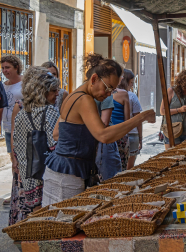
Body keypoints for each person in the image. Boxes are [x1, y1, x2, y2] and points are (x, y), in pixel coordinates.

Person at [42, 54, 155, 206]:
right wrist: (141, 118)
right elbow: (103, 135)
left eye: (113, 90)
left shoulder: (72, 95)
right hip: (68, 175)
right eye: (107, 88)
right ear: (94, 79)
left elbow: (57, 134)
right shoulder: (84, 99)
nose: (109, 94)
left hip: (61, 170)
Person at [9, 66, 60, 225]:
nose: (57, 94)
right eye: (53, 90)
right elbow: (55, 145)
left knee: (36, 221)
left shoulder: (22, 114)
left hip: (29, 177)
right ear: (42, 91)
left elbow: (17, 145)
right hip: (47, 176)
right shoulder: (50, 111)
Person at [1, 56, 23, 205]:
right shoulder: (4, 84)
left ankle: (23, 191)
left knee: (21, 160)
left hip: (22, 127)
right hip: (8, 127)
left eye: (7, 67)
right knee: (13, 160)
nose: (4, 71)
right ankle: (14, 192)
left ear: (16, 67)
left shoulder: (24, 83)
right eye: (2, 68)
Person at [118, 69, 143, 170]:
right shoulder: (131, 96)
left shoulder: (111, 95)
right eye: (131, 82)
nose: (132, 85)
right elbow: (138, 119)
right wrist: (141, 138)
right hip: (131, 135)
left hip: (117, 134)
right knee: (129, 169)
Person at [95, 93, 122, 181]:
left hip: (91, 141)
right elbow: (105, 123)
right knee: (110, 180)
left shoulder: (81, 94)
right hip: (104, 143)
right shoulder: (106, 94)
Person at [111, 80, 131, 171]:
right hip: (120, 134)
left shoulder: (97, 94)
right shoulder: (123, 94)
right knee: (121, 167)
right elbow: (127, 120)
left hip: (105, 134)